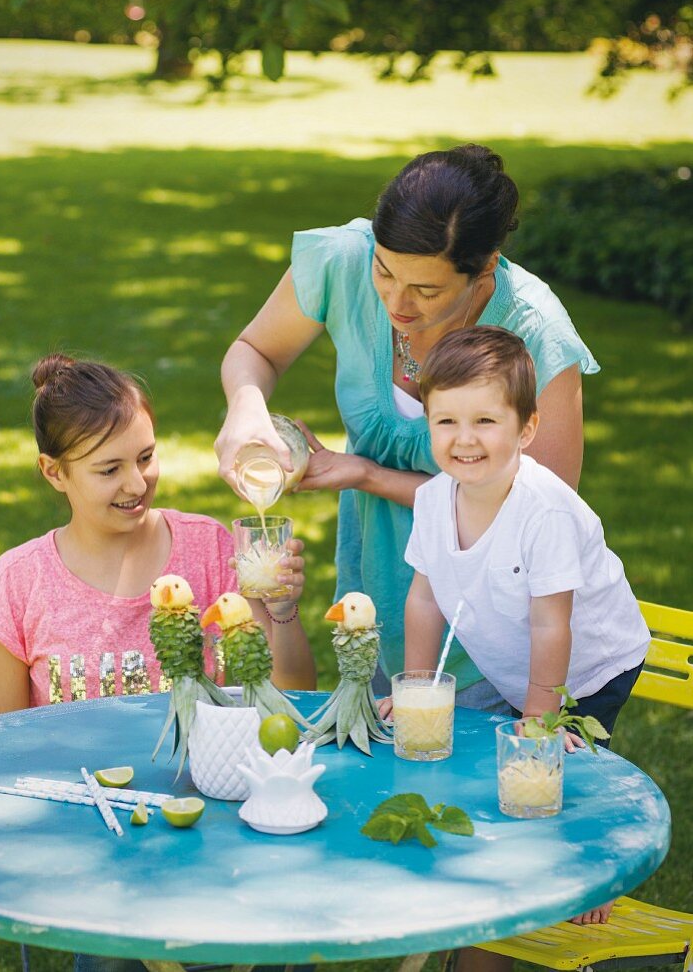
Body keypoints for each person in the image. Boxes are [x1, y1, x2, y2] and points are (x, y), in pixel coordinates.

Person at [0, 354, 316, 972]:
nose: (137, 483)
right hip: (89, 838)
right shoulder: (19, 582)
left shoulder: (211, 549)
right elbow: (0, 750)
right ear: (54, 473)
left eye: (146, 457)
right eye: (109, 468)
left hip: (215, 822)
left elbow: (289, 699)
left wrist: (281, 611)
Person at [215, 145, 599, 700]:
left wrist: (367, 475)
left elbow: (529, 516)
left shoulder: (536, 334)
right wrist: (246, 408)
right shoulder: (345, 260)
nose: (396, 301)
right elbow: (256, 350)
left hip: (502, 627)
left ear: (485, 266)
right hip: (380, 592)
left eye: (427, 289)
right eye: (385, 271)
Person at [385, 325, 649, 943]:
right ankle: (511, 860)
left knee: (568, 765)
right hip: (519, 656)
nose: (464, 439)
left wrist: (540, 717)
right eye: (445, 422)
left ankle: (592, 873)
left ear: (526, 429)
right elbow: (423, 599)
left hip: (590, 661)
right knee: (515, 772)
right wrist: (418, 688)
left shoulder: (544, 510)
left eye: (485, 421)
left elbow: (550, 621)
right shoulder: (431, 501)